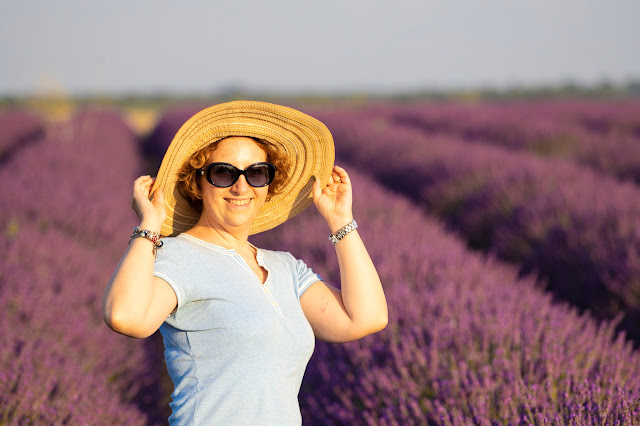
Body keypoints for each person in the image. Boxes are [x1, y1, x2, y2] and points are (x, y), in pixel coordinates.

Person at [102, 100, 387, 425]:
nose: (241, 186)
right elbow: (125, 317)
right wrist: (149, 226)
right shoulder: (179, 256)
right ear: (197, 182)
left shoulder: (286, 269)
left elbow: (367, 318)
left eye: (256, 173)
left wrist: (341, 222)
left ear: (269, 183)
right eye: (223, 173)